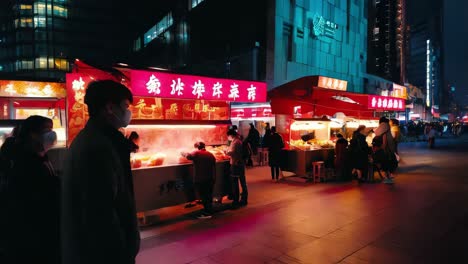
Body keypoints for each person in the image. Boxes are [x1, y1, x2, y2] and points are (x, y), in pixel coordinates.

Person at [62, 80, 140, 264]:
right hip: (103, 255)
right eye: (126, 106)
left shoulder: (97, 140)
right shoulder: (97, 148)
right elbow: (100, 214)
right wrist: (121, 254)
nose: (128, 112)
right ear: (110, 108)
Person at [4, 116, 59, 263]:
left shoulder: (41, 155)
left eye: (51, 130)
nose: (51, 134)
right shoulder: (23, 161)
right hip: (30, 233)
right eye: (46, 130)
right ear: (32, 134)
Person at [182, 142, 216, 219]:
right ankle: (209, 210)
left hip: (201, 179)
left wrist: (183, 153)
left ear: (197, 147)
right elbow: (214, 165)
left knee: (204, 196)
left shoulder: (196, 153)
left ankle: (206, 213)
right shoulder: (210, 154)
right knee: (209, 195)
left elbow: (188, 156)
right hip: (210, 178)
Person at [225, 129, 248, 208]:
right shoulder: (238, 141)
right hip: (239, 164)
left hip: (236, 164)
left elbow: (232, 152)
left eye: (228, 136)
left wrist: (226, 151)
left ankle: (236, 200)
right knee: (242, 181)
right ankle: (243, 199)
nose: (228, 138)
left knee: (235, 182)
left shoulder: (236, 142)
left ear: (231, 135)